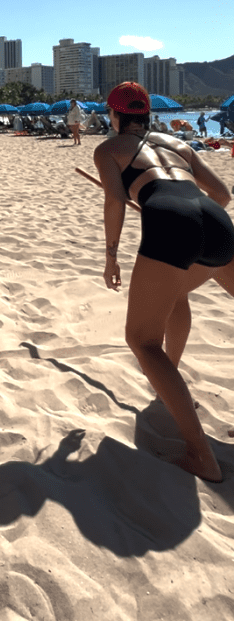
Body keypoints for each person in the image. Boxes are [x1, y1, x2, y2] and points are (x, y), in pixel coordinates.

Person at [93, 81, 234, 482]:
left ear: (114, 116)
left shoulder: (107, 149)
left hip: (175, 222)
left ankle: (201, 457)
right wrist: (184, 211)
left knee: (141, 340)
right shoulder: (179, 144)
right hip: (217, 221)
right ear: (148, 114)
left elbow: (115, 201)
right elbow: (222, 193)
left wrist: (111, 255)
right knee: (171, 294)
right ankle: (169, 370)